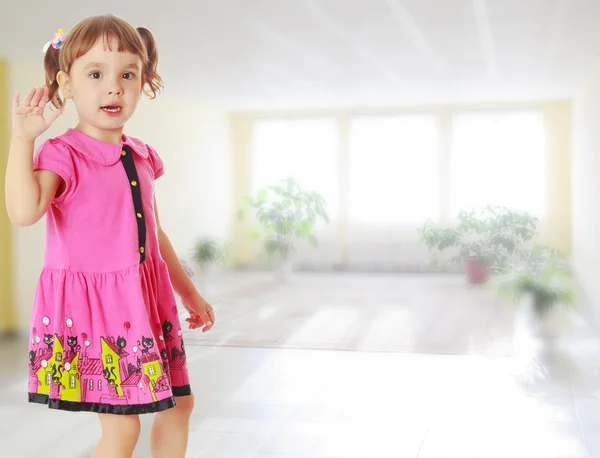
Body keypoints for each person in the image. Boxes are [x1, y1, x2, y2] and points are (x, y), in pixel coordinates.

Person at [4, 14, 215, 458]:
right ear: (67, 82)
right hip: (102, 314)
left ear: (144, 82)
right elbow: (24, 212)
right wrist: (22, 139)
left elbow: (154, 234)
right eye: (96, 74)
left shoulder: (141, 156)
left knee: (179, 406)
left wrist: (190, 294)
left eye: (127, 74)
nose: (113, 86)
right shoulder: (62, 154)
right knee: (123, 430)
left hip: (145, 303)